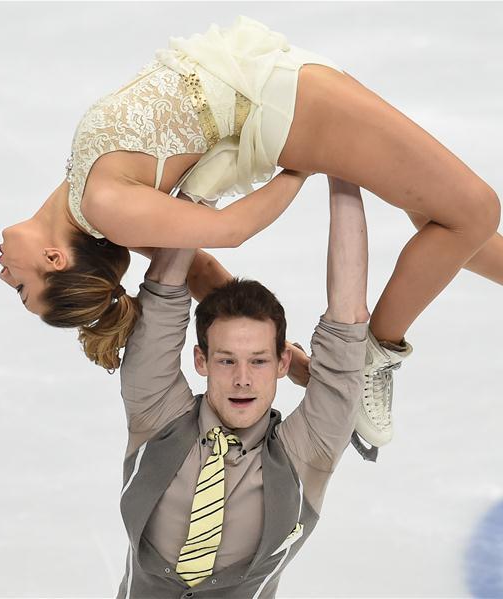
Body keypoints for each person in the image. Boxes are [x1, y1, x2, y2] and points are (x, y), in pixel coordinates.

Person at [0, 16, 503, 455]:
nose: (6, 275)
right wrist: (303, 167)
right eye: (22, 288)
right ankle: (377, 353)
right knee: (474, 208)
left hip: (271, 85)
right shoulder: (107, 205)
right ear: (55, 259)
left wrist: (293, 356)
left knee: (443, 210)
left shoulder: (93, 206)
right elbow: (230, 230)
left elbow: (198, 271)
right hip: (284, 108)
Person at [116, 178, 368, 597]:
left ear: (282, 364)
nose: (243, 379)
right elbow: (163, 289)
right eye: (227, 360)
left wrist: (343, 172)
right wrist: (207, 175)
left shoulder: (306, 455)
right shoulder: (155, 416)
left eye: (258, 361)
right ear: (202, 361)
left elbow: (347, 320)